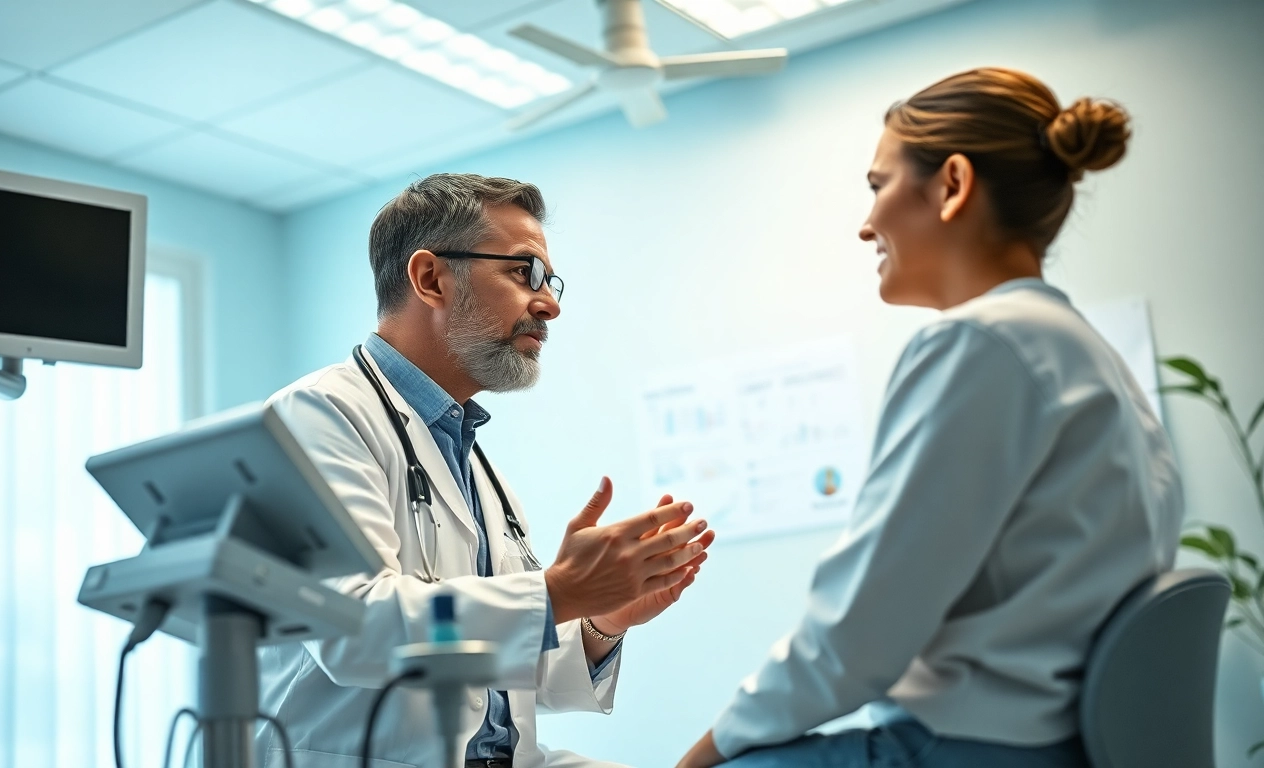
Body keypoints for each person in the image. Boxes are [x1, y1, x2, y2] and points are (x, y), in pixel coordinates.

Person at [676, 67, 1182, 768]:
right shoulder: (1083, 351)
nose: (866, 225)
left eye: (878, 185)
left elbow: (859, 634)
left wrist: (706, 752)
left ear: (952, 185)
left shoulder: (981, 343)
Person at [254, 173, 715, 768]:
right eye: (525, 273)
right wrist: (557, 592)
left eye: (549, 281)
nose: (549, 304)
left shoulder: (471, 460)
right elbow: (353, 628)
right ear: (430, 279)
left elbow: (497, 670)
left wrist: (599, 619)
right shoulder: (318, 416)